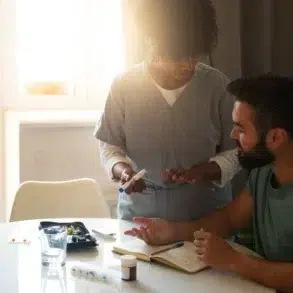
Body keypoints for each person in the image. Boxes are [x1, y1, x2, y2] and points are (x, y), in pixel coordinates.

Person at [125, 74, 293, 292]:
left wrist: (235, 261)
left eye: (241, 129)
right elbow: (230, 219)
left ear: (276, 138)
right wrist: (172, 232)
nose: (232, 134)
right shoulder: (263, 171)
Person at [94, 0, 241, 221]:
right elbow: (109, 146)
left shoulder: (217, 86)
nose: (188, 65)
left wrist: (202, 171)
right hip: (140, 213)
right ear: (154, 43)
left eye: (195, 55)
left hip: (204, 213)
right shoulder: (125, 86)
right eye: (179, 57)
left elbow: (237, 151)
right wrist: (123, 171)